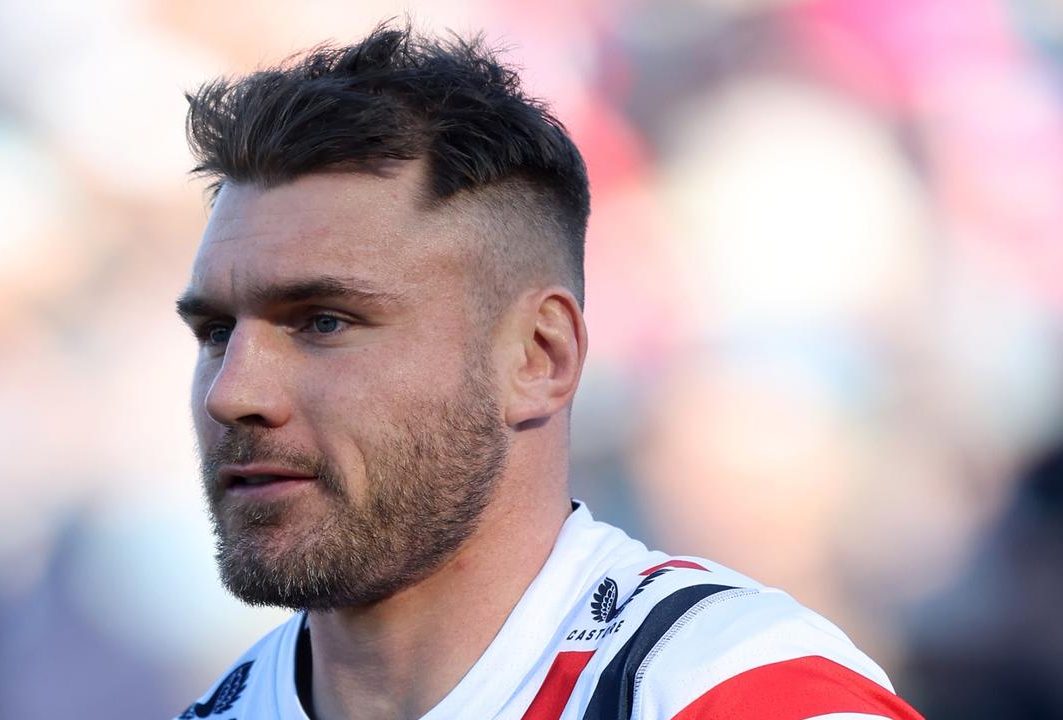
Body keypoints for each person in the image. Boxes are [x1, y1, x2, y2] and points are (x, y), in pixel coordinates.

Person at [172, 23, 923, 720]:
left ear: (539, 358)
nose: (235, 393)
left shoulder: (739, 691)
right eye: (215, 332)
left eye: (325, 321)